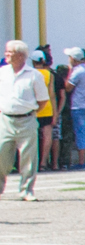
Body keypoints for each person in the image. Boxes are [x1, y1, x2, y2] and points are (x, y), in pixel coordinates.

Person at [3, 39, 42, 200]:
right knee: (1, 154)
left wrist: (28, 113)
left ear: (20, 55)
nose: (6, 54)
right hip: (5, 119)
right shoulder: (2, 72)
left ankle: (26, 190)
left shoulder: (34, 75)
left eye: (10, 52)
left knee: (28, 158)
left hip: (26, 120)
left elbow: (42, 100)